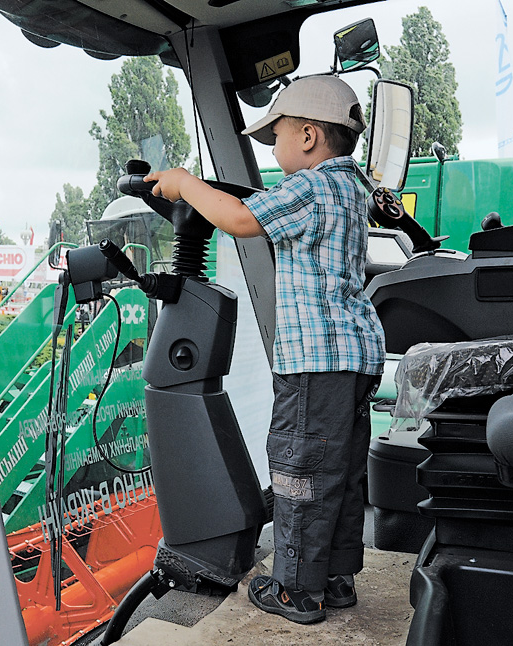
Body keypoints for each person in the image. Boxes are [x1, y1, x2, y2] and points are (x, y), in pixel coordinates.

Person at [145, 75, 385, 625]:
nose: (271, 151)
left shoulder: (309, 188)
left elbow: (237, 219)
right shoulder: (352, 188)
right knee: (342, 471)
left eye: (274, 137)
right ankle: (335, 578)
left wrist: (184, 184)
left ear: (306, 137)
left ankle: (298, 590)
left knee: (301, 471)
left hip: (313, 365)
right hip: (352, 359)